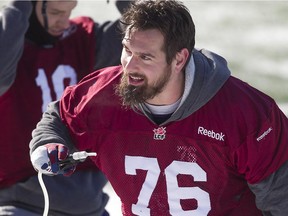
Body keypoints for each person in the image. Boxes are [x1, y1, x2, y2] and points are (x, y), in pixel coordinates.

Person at [29, 0, 288, 215]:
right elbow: (58, 117)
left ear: (179, 59)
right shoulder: (102, 93)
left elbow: (281, 197)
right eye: (127, 50)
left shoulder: (244, 112)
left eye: (145, 57)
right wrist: (49, 143)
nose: (129, 66)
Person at [0, 0, 132, 215]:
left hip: (91, 206)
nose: (63, 22)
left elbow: (153, 40)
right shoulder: (10, 44)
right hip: (21, 205)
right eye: (55, 12)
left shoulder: (84, 38)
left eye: (69, 12)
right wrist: (19, 6)